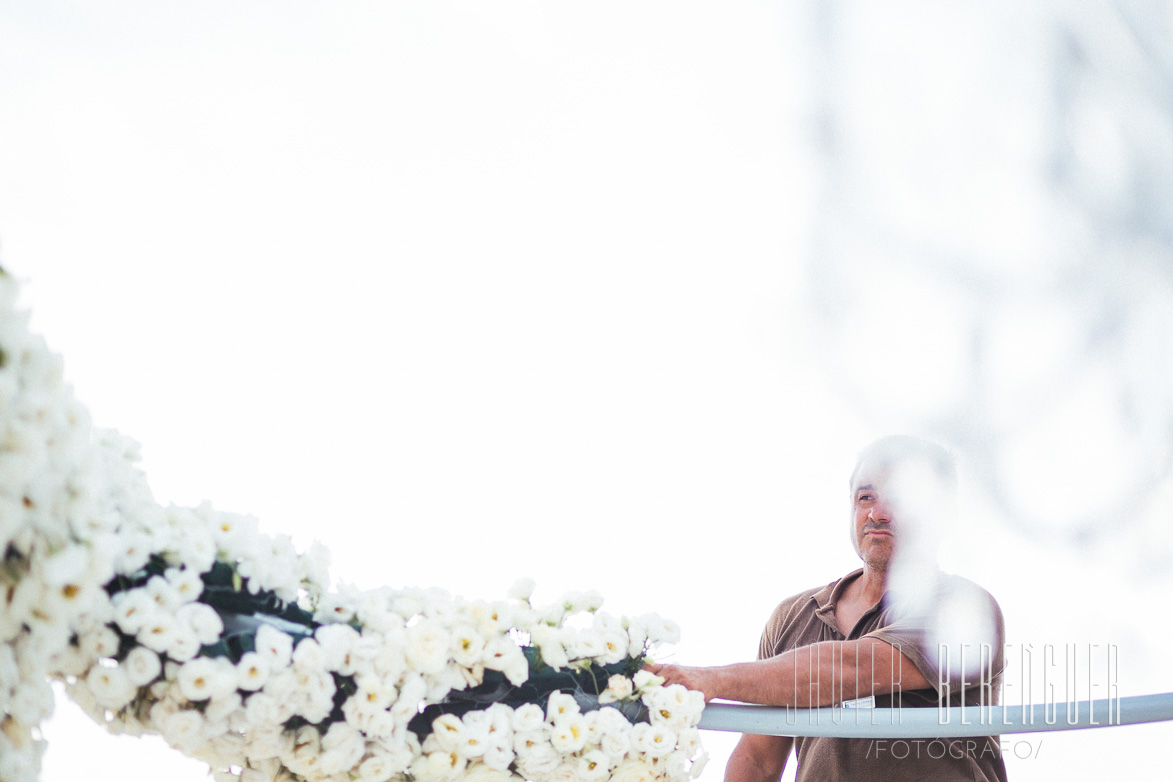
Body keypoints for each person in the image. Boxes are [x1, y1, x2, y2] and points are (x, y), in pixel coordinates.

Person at [648, 435, 1008, 781]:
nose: (878, 513)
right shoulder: (793, 617)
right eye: (865, 496)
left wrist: (710, 681)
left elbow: (851, 669)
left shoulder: (963, 610)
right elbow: (758, 758)